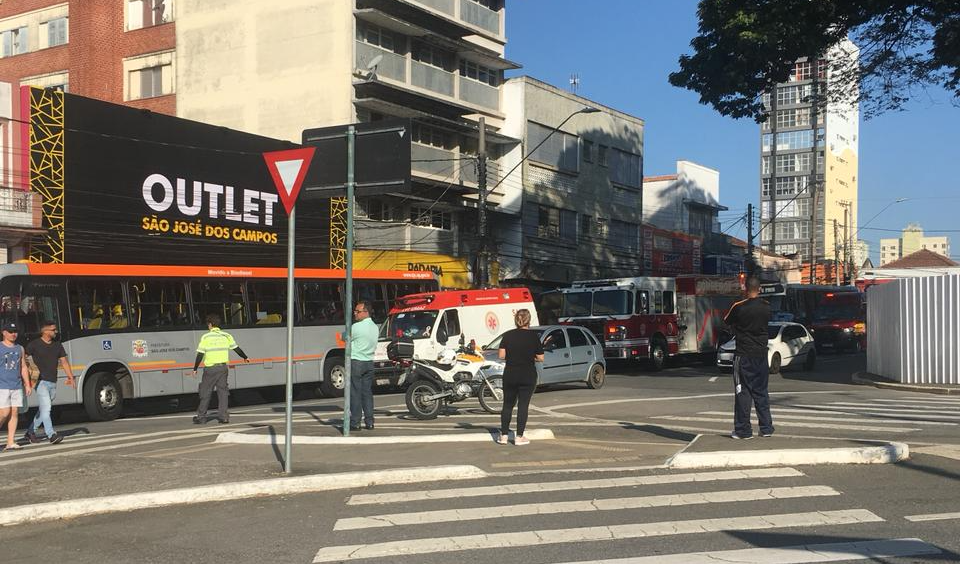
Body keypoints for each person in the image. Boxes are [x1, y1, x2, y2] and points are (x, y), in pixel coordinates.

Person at [723, 276, 774, 440]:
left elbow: (726, 321)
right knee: (761, 392)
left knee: (742, 392)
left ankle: (743, 430)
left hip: (743, 354)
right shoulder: (766, 307)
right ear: (759, 289)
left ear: (745, 288)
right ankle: (766, 428)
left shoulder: (739, 306)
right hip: (761, 354)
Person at [190, 314, 249, 424]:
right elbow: (237, 349)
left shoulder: (206, 337)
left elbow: (200, 354)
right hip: (223, 368)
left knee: (206, 392)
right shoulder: (226, 336)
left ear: (211, 325)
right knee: (223, 392)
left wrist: (195, 368)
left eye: (208, 325)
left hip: (210, 369)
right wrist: (245, 357)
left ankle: (201, 417)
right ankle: (223, 417)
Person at [23, 321, 75, 445]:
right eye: (53, 330)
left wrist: (71, 377)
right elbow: (22, 357)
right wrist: (30, 370)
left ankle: (30, 432)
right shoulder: (34, 345)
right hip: (40, 382)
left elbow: (64, 362)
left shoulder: (57, 345)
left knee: (43, 410)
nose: (55, 332)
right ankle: (51, 435)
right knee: (47, 409)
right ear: (45, 331)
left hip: (52, 382)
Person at [497, 309, 544, 446]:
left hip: (510, 373)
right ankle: (519, 437)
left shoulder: (508, 335)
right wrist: (530, 355)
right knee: (523, 405)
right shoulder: (533, 337)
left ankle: (504, 435)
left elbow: (501, 355)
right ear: (529, 321)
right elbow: (541, 357)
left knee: (507, 404)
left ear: (516, 320)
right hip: (527, 374)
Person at [0, 322, 31, 452]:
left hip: (16, 385)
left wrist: (27, 384)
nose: (13, 334)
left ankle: (10, 442)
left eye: (15, 331)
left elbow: (23, 366)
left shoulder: (20, 348)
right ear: (4, 332)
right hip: (2, 385)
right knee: (4, 412)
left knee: (14, 413)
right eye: (10, 331)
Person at [348, 300, 378, 431]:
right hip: (369, 362)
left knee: (355, 392)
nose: (355, 313)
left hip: (357, 362)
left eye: (357, 311)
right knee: (367, 393)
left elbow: (345, 337)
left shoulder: (356, 327)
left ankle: (355, 422)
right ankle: (370, 421)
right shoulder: (375, 327)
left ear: (366, 312)